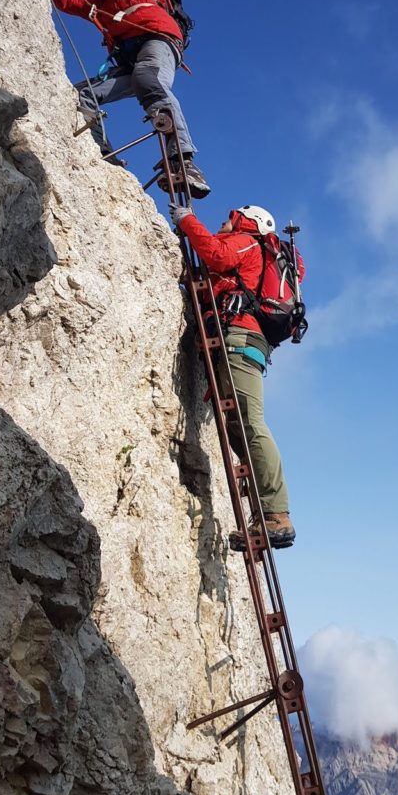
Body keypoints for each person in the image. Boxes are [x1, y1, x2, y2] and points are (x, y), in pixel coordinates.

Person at [169, 202, 303, 549]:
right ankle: (266, 510)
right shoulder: (264, 257)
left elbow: (214, 253)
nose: (224, 221)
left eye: (231, 217)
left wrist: (187, 220)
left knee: (250, 421)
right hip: (249, 342)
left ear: (247, 221)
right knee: (238, 425)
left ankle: (276, 514)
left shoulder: (247, 241)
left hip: (239, 339)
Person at [48, 0, 210, 198]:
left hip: (158, 40)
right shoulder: (108, 3)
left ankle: (184, 160)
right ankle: (101, 150)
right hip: (132, 59)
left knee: (147, 78)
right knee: (83, 94)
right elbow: (67, 1)